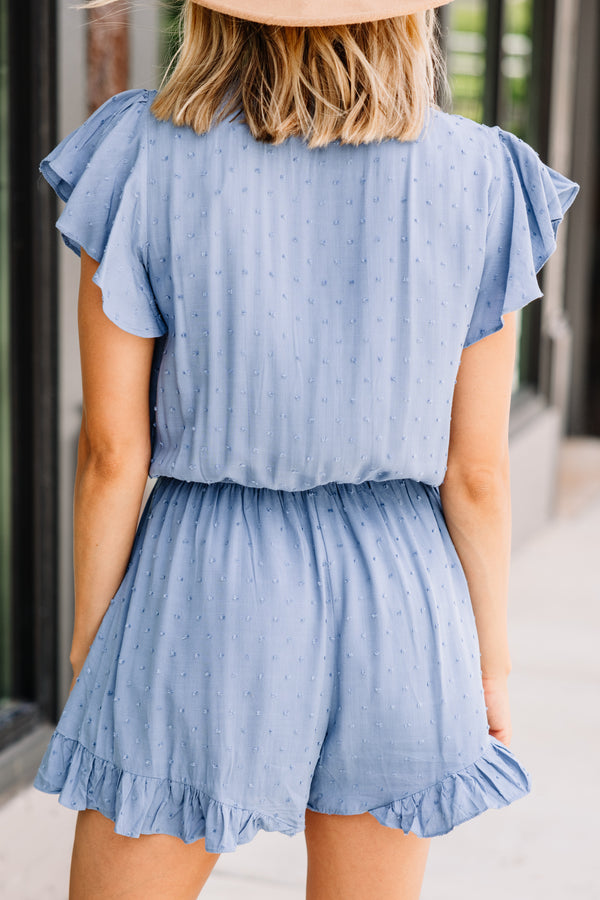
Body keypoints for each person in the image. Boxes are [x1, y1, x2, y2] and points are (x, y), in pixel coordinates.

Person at [33, 0, 579, 897]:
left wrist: (95, 633)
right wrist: (489, 661)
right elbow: (477, 474)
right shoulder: (481, 174)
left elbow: (110, 450)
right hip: (404, 592)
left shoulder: (144, 153)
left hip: (205, 579)